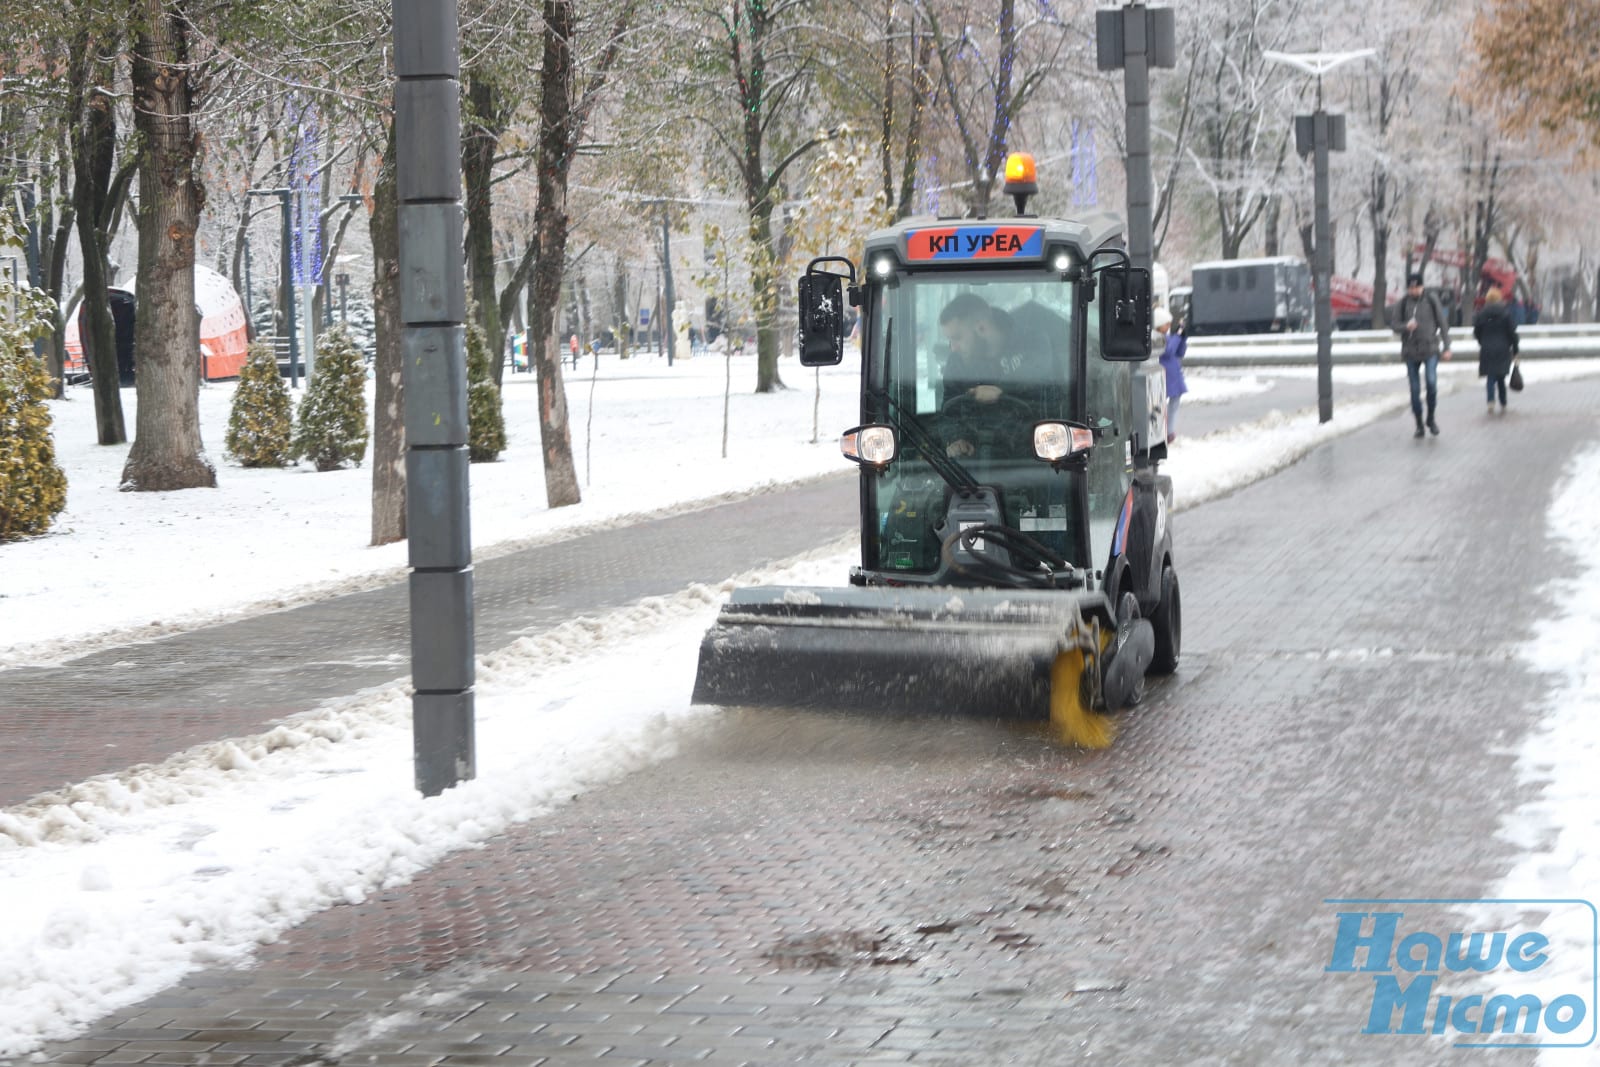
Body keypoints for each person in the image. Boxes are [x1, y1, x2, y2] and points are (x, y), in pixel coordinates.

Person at [936, 293, 1064, 457]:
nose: (953, 348)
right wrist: (955, 438)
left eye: (957, 338)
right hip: (976, 459)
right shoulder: (958, 362)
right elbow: (949, 411)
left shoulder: (1033, 343)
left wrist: (1001, 390)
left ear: (982, 328)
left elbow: (1036, 375)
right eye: (950, 340)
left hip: (1035, 455)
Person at [1393, 272, 1452, 437]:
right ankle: (1419, 423)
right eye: (1411, 288)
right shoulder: (1403, 303)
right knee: (1414, 389)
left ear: (1422, 286)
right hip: (1410, 351)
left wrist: (1447, 346)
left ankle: (1431, 418)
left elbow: (1443, 323)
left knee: (1432, 383)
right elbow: (1394, 324)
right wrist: (1406, 326)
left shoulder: (1431, 300)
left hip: (1430, 349)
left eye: (1416, 287)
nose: (1414, 290)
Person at [1473, 286, 1519, 415]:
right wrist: (1515, 348)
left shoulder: (1481, 313)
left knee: (1490, 377)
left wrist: (1482, 341)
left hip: (1487, 348)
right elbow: (1512, 332)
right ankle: (1503, 401)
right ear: (1499, 298)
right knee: (1500, 377)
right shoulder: (1505, 313)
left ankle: (1490, 401)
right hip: (1503, 348)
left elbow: (1476, 331)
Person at [1154, 306, 1187, 444]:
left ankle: (1169, 430)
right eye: (1166, 324)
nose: (1168, 327)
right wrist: (1178, 336)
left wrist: (1182, 339)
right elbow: (1168, 351)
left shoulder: (1167, 337)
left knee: (1173, 404)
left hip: (1172, 375)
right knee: (1164, 405)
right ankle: (1166, 431)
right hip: (1166, 376)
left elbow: (1178, 352)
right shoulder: (1157, 338)